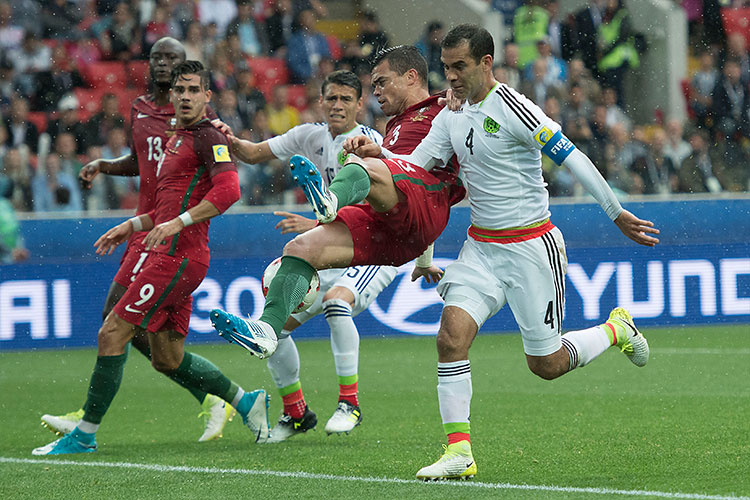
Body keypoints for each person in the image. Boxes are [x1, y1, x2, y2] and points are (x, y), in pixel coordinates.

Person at [346, 24, 659, 480]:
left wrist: (616, 212)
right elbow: (415, 165)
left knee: (546, 365)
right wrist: (377, 154)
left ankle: (616, 329)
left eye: (460, 67)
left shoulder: (515, 107)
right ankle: (459, 451)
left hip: (532, 247)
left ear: (486, 63)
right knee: (450, 337)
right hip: (482, 248)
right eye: (446, 67)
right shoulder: (450, 114)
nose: (451, 77)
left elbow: (571, 156)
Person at [33, 60, 270, 456]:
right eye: (180, 90)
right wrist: (132, 225)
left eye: (194, 90)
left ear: (207, 95)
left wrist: (178, 223)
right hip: (173, 255)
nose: (186, 97)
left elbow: (230, 191)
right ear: (170, 95)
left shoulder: (208, 136)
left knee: (111, 332)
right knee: (167, 358)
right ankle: (246, 402)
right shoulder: (176, 139)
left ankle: (85, 433)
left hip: (178, 258)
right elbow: (166, 208)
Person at [208, 45, 464, 400]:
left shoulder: (444, 108)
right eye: (372, 84)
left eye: (381, 82)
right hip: (392, 225)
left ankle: (349, 402)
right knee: (299, 248)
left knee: (362, 164)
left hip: (419, 204)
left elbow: (425, 181)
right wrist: (423, 260)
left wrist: (462, 96)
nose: (376, 90)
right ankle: (267, 330)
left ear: (411, 77)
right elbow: (407, 180)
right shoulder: (392, 128)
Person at [212, 70, 392, 441]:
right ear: (320, 101)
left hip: (375, 248)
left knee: (336, 303)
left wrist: (314, 222)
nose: (338, 105)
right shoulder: (309, 135)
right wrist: (227, 138)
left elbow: (384, 200)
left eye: (346, 99)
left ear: (360, 104)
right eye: (332, 98)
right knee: (274, 330)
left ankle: (350, 404)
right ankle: (296, 413)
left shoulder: (370, 142)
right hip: (335, 246)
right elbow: (253, 153)